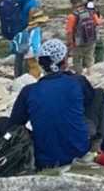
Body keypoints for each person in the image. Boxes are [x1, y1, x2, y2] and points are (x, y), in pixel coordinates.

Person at [9, 38, 97, 169]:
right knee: (99, 94)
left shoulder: (29, 91)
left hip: (44, 159)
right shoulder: (78, 82)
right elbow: (90, 99)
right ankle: (97, 144)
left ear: (41, 64)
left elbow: (15, 124)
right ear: (64, 61)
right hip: (79, 150)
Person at [10, 0, 43, 78]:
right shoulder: (32, 2)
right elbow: (32, 19)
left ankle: (17, 77)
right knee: (29, 55)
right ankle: (28, 77)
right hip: (27, 30)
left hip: (16, 30)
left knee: (19, 54)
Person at [65, 0, 103, 75]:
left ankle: (79, 75)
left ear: (72, 4)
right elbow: (98, 23)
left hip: (78, 43)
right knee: (89, 57)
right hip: (91, 40)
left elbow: (69, 32)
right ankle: (90, 73)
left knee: (77, 60)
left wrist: (69, 43)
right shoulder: (91, 12)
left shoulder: (72, 16)